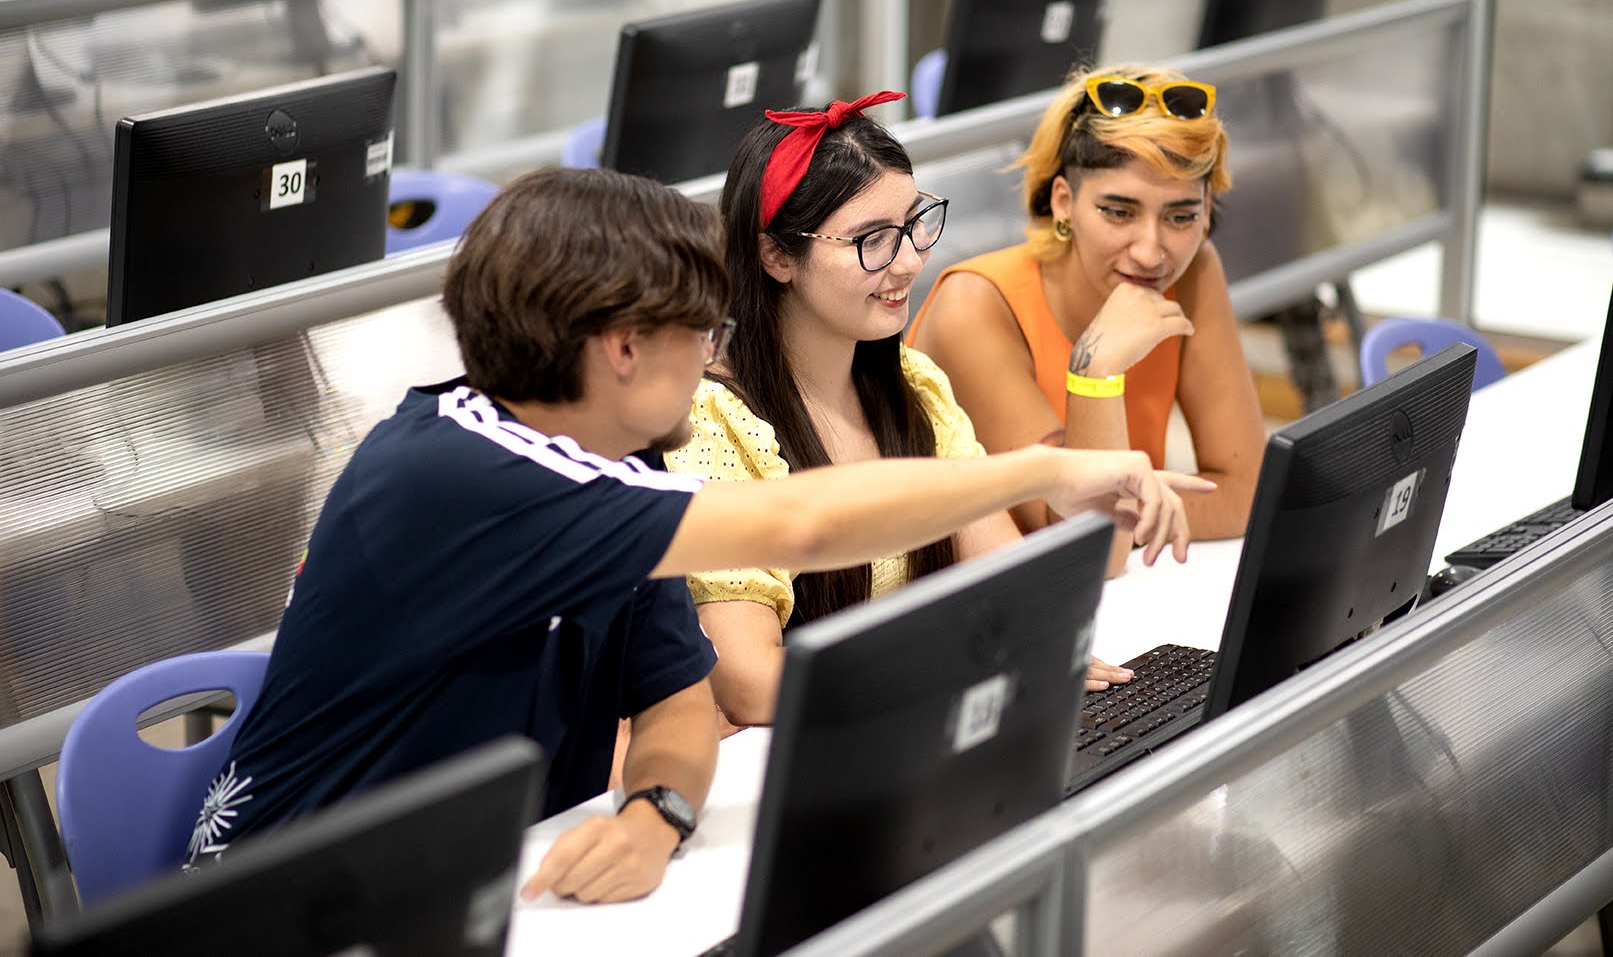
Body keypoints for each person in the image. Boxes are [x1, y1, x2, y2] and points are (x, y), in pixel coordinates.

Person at [184, 166, 1206, 907]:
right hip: (293, 907)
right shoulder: (459, 471)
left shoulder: (613, 466)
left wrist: (655, 814)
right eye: (704, 334)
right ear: (622, 347)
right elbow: (803, 520)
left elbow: (679, 696)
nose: (717, 360)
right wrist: (1043, 470)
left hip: (492, 887)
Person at [663, 92, 1172, 730]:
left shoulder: (913, 384)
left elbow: (1015, 586)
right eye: (871, 240)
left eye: (913, 224)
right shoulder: (711, 422)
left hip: (906, 729)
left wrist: (1036, 644)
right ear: (777, 256)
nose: (909, 260)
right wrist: (957, 666)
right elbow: (752, 684)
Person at [909, 62, 1265, 574]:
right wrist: (1095, 372)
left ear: (1207, 210)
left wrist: (1126, 513)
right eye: (1118, 212)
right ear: (1063, 203)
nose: (1150, 252)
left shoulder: (1194, 271)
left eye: (1181, 216)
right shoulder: (975, 306)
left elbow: (1245, 493)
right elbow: (1086, 545)